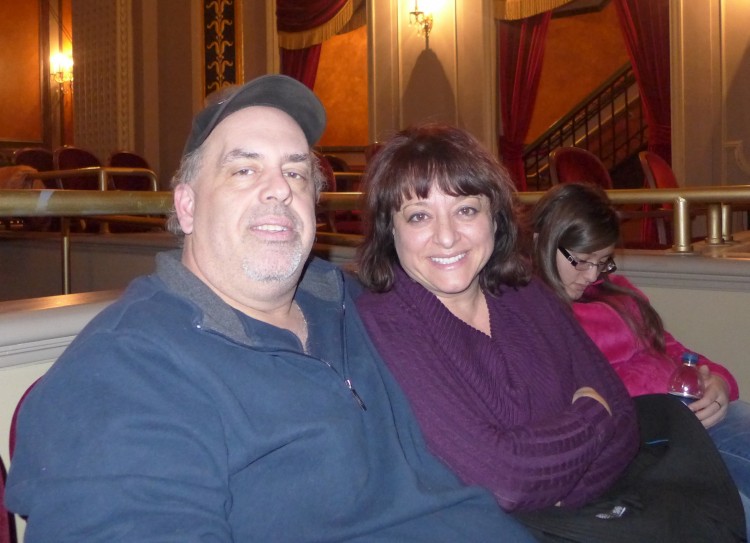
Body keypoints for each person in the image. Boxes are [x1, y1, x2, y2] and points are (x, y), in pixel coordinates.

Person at [5, 75, 536, 542]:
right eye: (243, 170)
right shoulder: (123, 372)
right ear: (187, 205)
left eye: (297, 173)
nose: (279, 189)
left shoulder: (358, 303)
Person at [355, 122, 640, 514]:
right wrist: (592, 415)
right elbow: (505, 481)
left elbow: (624, 417)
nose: (447, 236)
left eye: (466, 210)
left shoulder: (526, 291)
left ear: (495, 217)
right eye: (419, 216)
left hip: (588, 517)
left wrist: (560, 492)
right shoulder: (383, 324)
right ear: (391, 231)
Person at [531, 181, 750, 533]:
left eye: (603, 262)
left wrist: (720, 381)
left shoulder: (616, 290)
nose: (590, 276)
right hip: (653, 432)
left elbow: (675, 349)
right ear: (543, 238)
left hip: (695, 411)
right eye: (582, 261)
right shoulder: (529, 307)